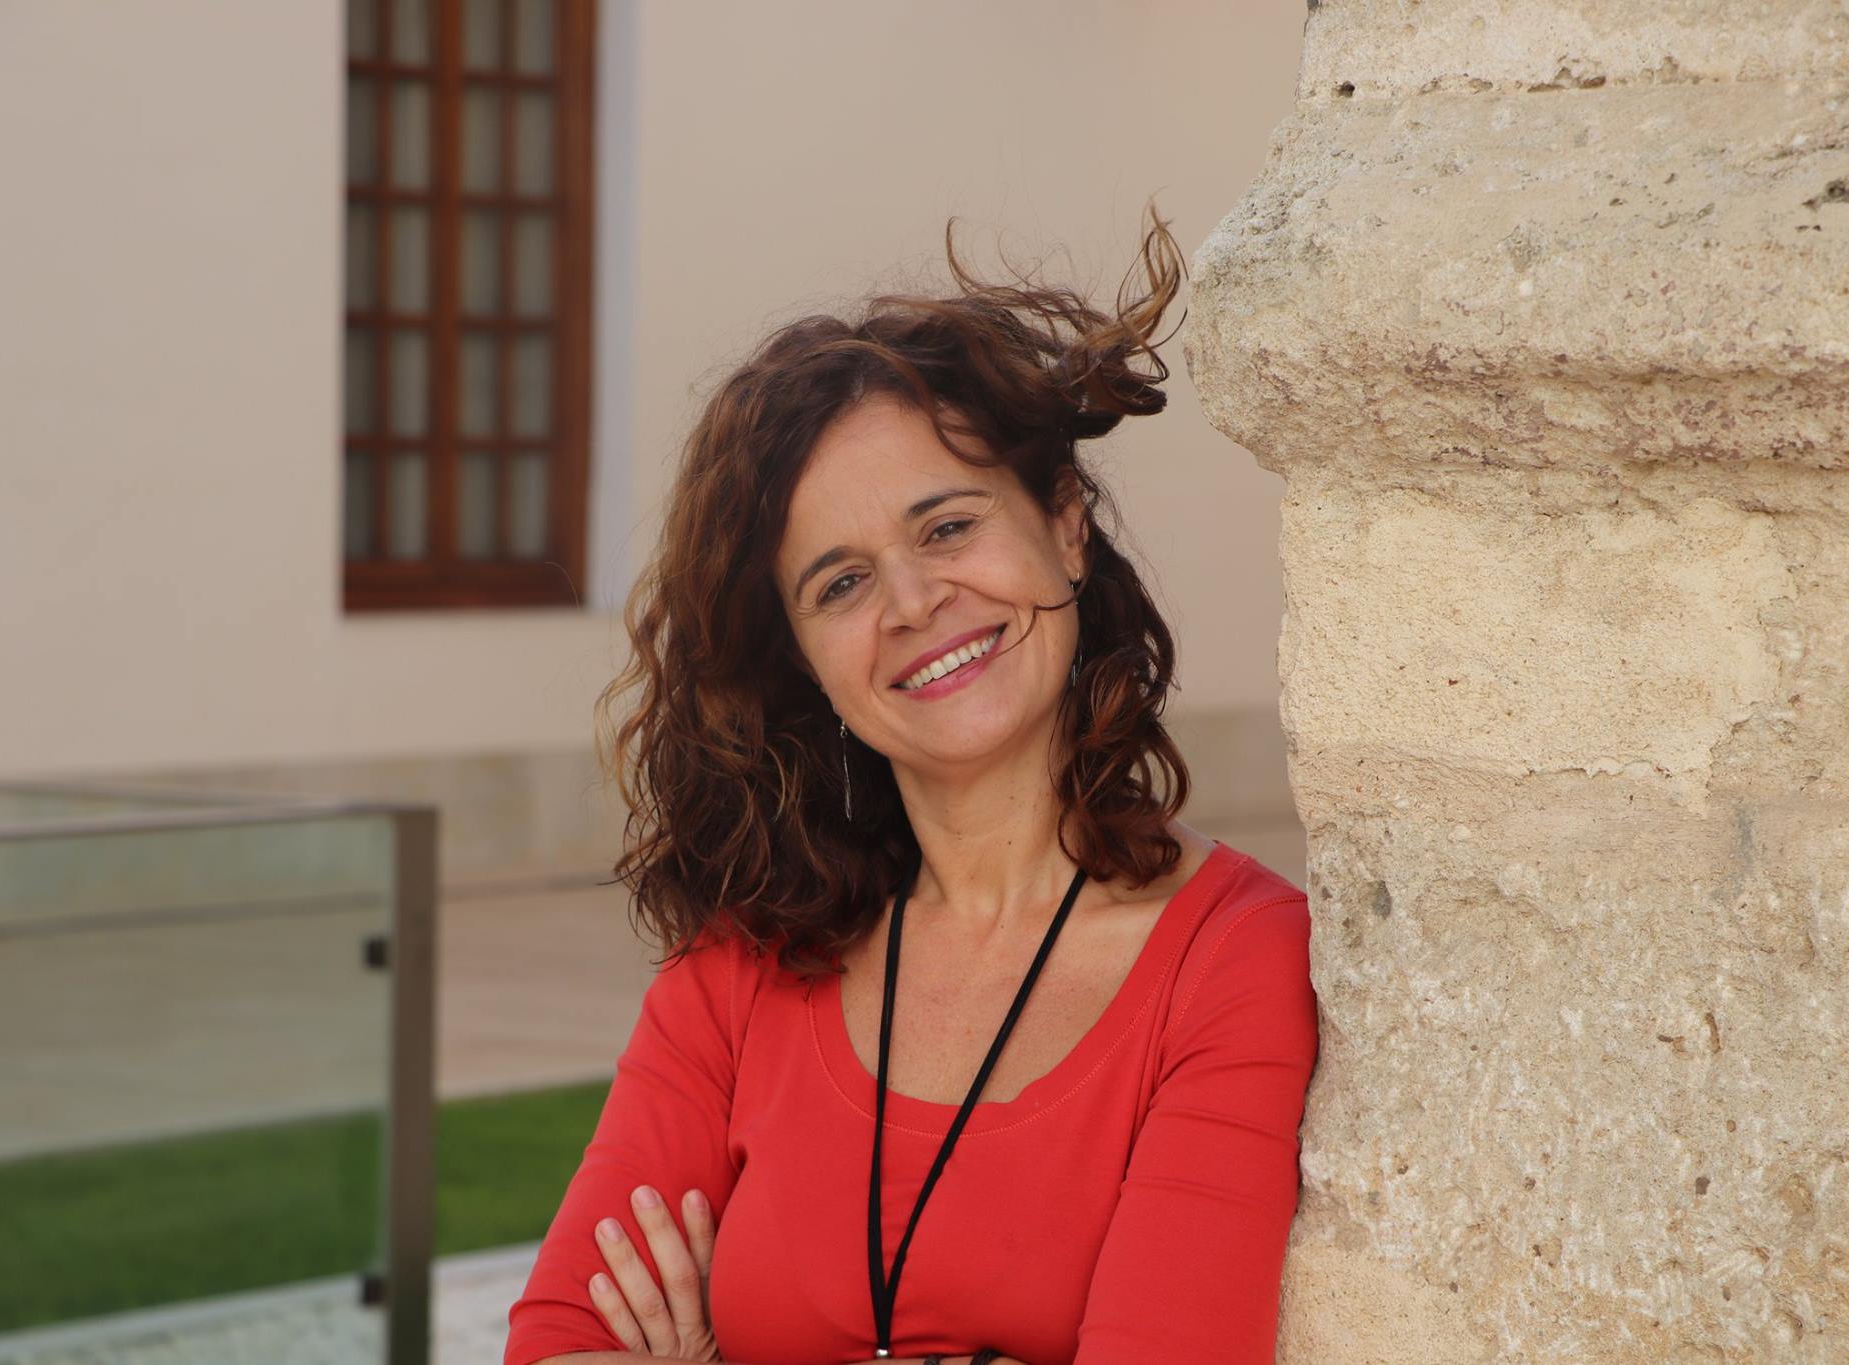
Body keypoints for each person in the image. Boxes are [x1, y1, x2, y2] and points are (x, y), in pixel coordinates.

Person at [503, 204, 1319, 1365]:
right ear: (803, 660)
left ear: (1065, 530)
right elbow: (557, 1343)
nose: (910, 602)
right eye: (838, 584)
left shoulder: (1233, 963)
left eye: (946, 526)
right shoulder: (738, 966)